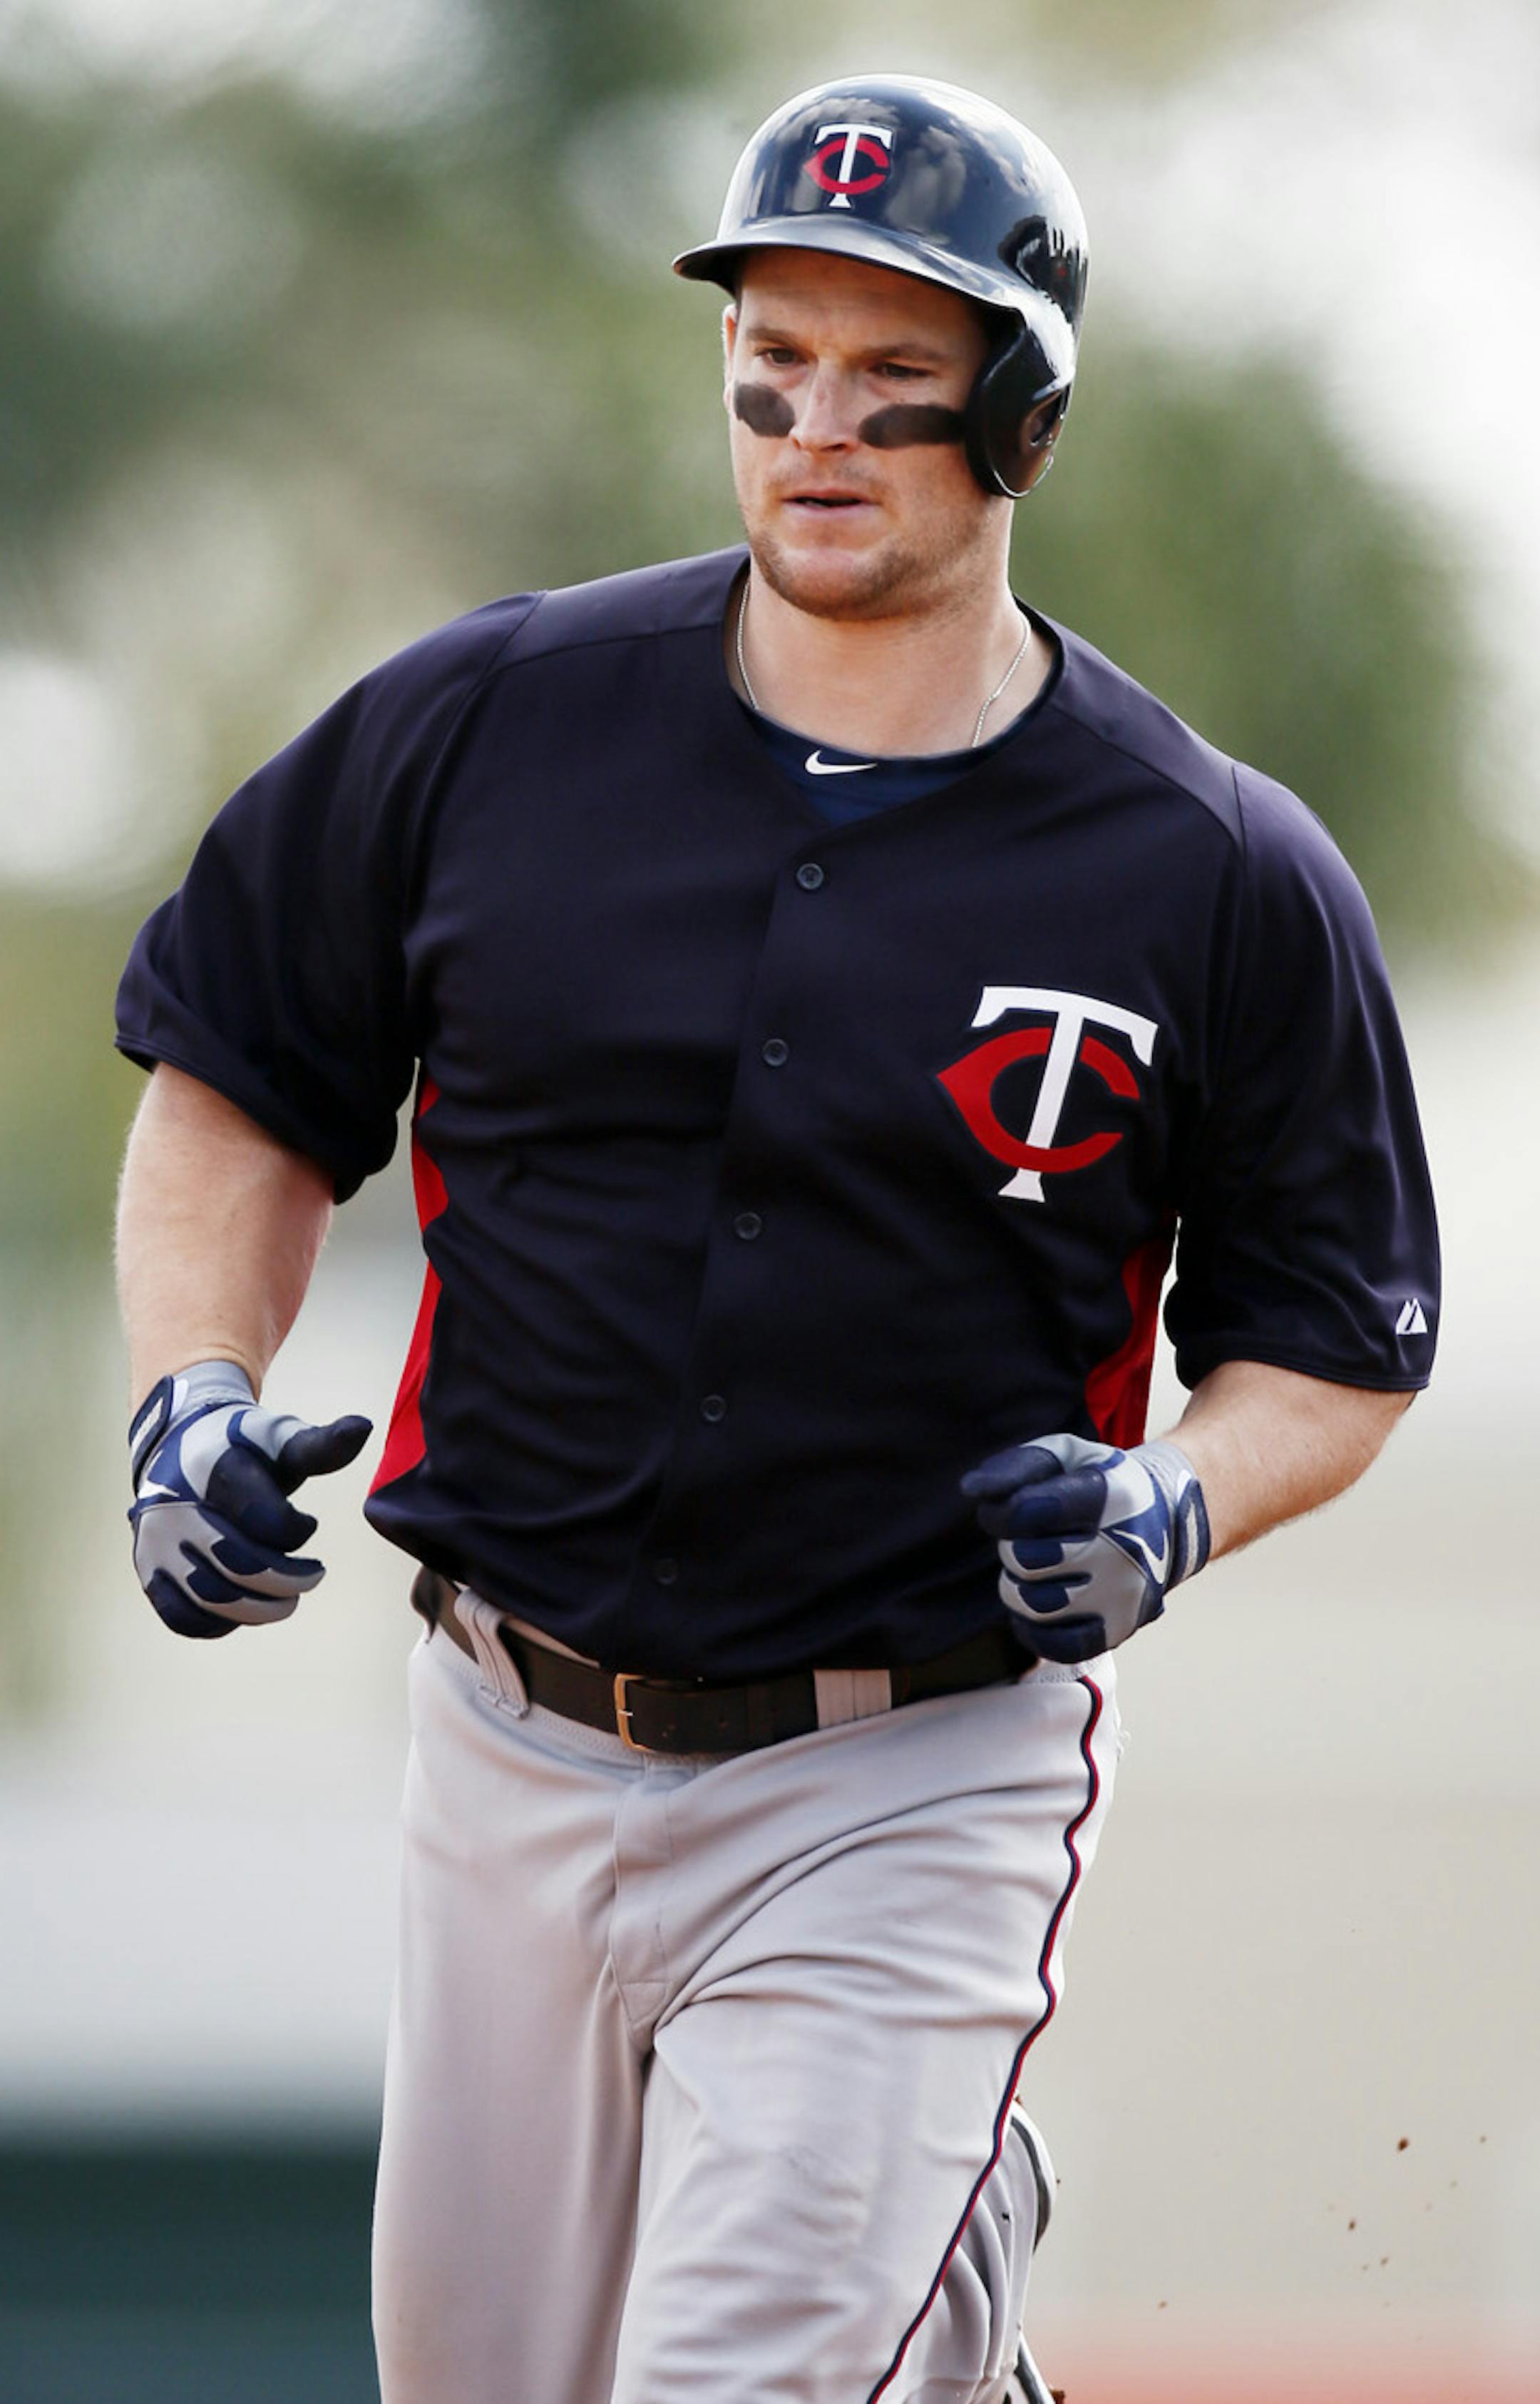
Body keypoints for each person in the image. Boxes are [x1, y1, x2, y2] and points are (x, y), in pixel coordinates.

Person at [113, 72, 1439, 2404]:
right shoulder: (488, 723)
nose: (817, 430)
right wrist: (188, 1393)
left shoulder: (1209, 864)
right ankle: (946, 2333)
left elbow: (1336, 1336)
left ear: (1022, 423)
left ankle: (898, 2284)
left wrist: (1178, 1498)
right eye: (772, 374)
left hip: (900, 1768)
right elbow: (232, 1074)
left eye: (894, 385)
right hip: (502, 1728)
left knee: (731, 2386)